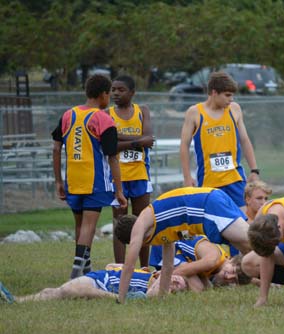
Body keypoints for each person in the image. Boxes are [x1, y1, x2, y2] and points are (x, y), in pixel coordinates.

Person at [113, 187, 251, 304]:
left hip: (207, 204)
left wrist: (120, 299)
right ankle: (270, 276)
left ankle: (272, 272)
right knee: (250, 248)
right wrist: (162, 297)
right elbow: (168, 266)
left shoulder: (141, 225)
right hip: (210, 200)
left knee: (255, 242)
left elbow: (129, 266)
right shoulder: (162, 228)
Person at [52, 74, 127, 279]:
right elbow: (113, 157)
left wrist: (58, 180)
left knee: (79, 224)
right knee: (88, 225)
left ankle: (85, 268)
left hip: (73, 180)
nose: (110, 98)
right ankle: (76, 272)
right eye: (109, 94)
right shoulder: (103, 119)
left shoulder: (68, 115)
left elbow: (56, 149)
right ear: (103, 94)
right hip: (94, 180)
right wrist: (119, 190)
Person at [179, 71, 260, 211]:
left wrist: (254, 170)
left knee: (244, 221)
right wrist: (187, 177)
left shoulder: (234, 109)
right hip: (209, 180)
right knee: (213, 224)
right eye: (227, 95)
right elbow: (184, 146)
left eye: (232, 95)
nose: (231, 99)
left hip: (235, 179)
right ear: (214, 93)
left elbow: (244, 140)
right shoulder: (195, 112)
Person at [108, 75, 155, 268]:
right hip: (117, 178)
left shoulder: (142, 111)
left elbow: (149, 138)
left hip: (140, 176)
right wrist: (137, 142)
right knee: (119, 224)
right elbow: (110, 143)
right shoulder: (107, 114)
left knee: (142, 223)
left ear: (132, 92)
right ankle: (120, 268)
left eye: (121, 90)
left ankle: (144, 267)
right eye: (113, 90)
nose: (116, 93)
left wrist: (121, 140)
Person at [0, 264, 188, 304]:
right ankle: (15, 300)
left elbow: (154, 296)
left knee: (60, 292)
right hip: (100, 279)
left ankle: (16, 300)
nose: (175, 280)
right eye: (178, 279)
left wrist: (166, 283)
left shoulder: (152, 288)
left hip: (101, 286)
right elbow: (111, 265)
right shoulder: (146, 271)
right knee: (62, 291)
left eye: (177, 286)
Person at [149, 235, 251, 292]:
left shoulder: (218, 267)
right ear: (232, 260)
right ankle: (153, 283)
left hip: (177, 249)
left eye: (234, 280)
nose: (228, 277)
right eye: (232, 271)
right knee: (199, 289)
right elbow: (181, 271)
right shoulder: (212, 260)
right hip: (167, 245)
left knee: (206, 288)